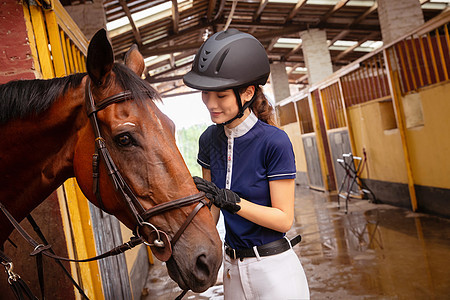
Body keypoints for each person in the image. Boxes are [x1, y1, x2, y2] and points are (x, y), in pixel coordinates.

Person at [183, 29, 309, 300]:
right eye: (206, 93)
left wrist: (235, 203)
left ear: (248, 92)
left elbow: (284, 219)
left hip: (274, 270)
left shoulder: (274, 142)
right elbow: (213, 210)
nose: (210, 103)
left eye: (221, 96)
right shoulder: (208, 139)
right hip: (232, 271)